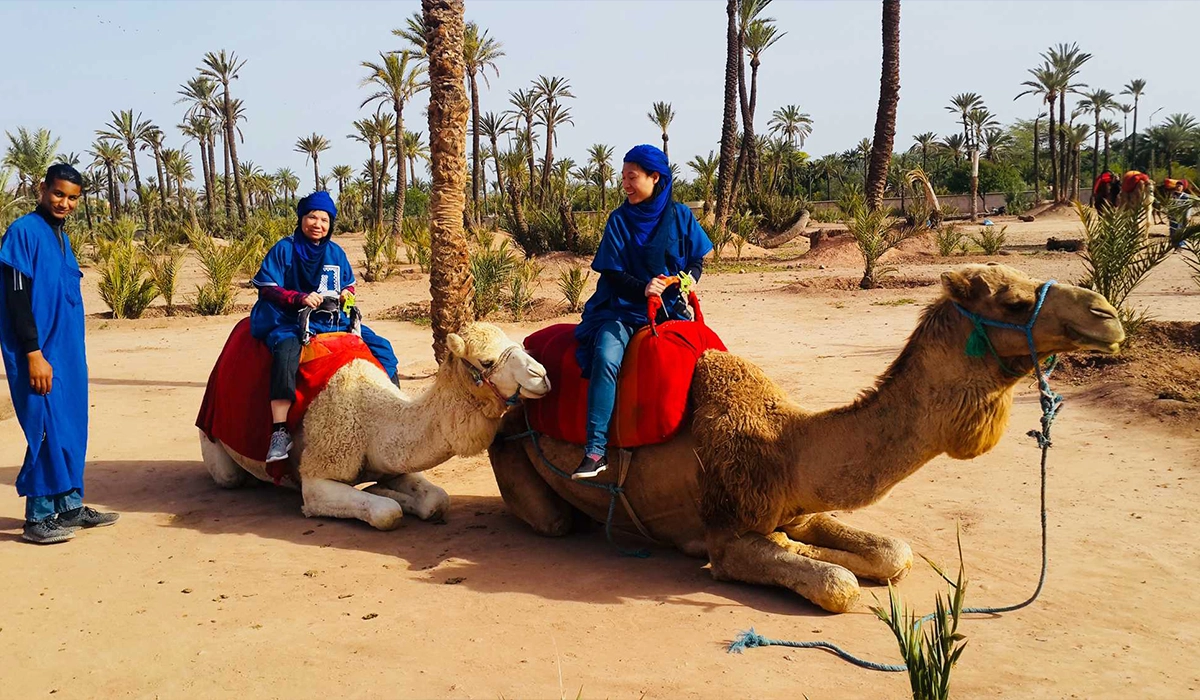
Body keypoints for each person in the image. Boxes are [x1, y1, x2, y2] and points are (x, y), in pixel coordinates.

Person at [570, 145, 713, 480]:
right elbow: (613, 274)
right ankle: (595, 449)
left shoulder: (680, 216)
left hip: (670, 310)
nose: (626, 185)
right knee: (606, 357)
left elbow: (696, 260)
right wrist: (643, 288)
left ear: (654, 177)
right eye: (623, 178)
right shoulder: (619, 220)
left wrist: (689, 278)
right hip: (620, 309)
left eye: (632, 177)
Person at [0, 164, 119, 544]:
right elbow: (17, 300)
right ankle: (37, 518)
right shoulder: (23, 233)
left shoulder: (62, 238)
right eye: (58, 194)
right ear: (42, 189)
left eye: (72, 198)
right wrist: (33, 353)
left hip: (68, 355)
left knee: (70, 427)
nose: (64, 203)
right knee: (46, 430)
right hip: (38, 353)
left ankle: (69, 505)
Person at [250, 191, 400, 463]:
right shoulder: (284, 248)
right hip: (288, 318)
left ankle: (395, 411)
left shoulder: (335, 252)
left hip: (331, 319)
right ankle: (280, 431)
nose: (317, 224)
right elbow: (266, 285)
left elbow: (349, 284)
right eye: (312, 217)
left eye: (324, 219)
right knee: (286, 353)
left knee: (382, 348)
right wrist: (298, 297)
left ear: (330, 224)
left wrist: (346, 295)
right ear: (301, 218)